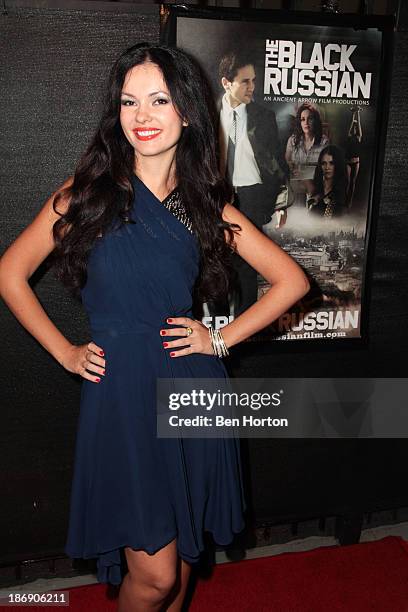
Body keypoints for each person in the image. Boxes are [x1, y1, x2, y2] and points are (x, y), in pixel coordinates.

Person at [0, 43, 309, 612]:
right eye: (128, 102)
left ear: (187, 111)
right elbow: (11, 272)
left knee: (186, 560)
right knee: (155, 576)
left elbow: (291, 281)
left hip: (193, 388)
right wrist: (65, 353)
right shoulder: (88, 193)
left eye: (158, 100)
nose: (141, 116)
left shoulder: (202, 205)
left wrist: (218, 339)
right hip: (122, 394)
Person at [216, 50, 290, 318]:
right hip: (216, 197)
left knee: (247, 266)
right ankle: (217, 322)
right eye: (245, 81)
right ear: (227, 83)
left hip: (252, 197)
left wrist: (281, 202)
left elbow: (277, 163)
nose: (252, 87)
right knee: (214, 263)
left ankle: (244, 326)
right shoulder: (207, 114)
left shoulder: (263, 116)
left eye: (254, 80)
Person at [285, 103, 329, 207]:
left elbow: (325, 167)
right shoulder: (292, 140)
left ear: (315, 121)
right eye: (303, 119)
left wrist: (302, 170)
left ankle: (314, 201)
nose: (306, 123)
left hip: (316, 183)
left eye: (310, 119)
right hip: (296, 185)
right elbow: (287, 162)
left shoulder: (323, 141)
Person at [306, 145, 347, 219]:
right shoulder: (314, 187)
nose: (327, 167)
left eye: (331, 163)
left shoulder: (341, 193)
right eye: (324, 163)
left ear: (337, 165)